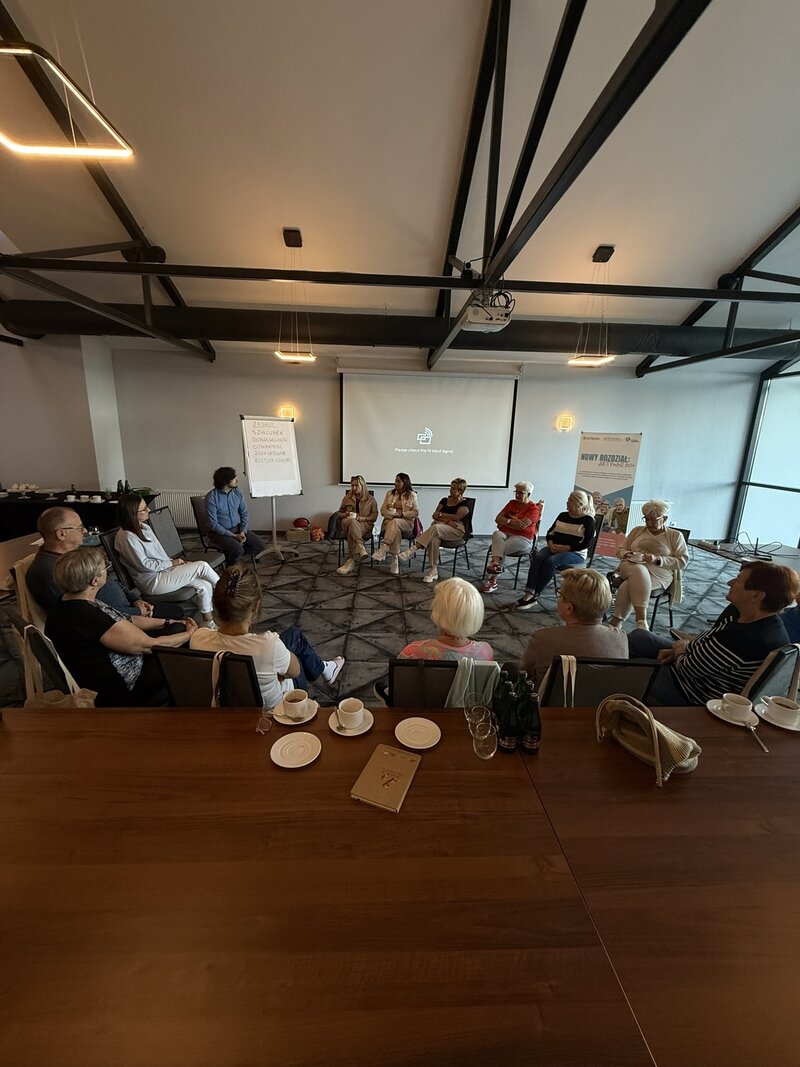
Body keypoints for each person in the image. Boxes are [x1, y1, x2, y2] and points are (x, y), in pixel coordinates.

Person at [628, 561, 799, 706]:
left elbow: (688, 669)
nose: (730, 582)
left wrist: (679, 649)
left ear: (756, 596)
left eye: (738, 579)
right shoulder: (761, 620)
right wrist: (681, 650)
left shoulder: (746, 638)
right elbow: (708, 651)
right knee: (640, 637)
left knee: (629, 669)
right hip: (693, 663)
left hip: (690, 692)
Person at [45, 547, 196, 707]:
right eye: (105, 567)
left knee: (176, 628)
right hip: (123, 687)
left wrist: (168, 622)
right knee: (185, 650)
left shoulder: (67, 601)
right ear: (94, 581)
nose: (107, 570)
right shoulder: (88, 616)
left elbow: (128, 619)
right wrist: (190, 633)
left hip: (112, 667)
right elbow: (149, 646)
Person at [190, 565, 345, 706]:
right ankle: (323, 670)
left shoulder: (197, 639)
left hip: (227, 705)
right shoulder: (268, 645)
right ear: (255, 607)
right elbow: (295, 672)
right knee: (295, 644)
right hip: (274, 712)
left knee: (291, 639)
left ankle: (324, 668)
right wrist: (276, 671)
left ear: (215, 604)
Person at [25, 506, 176, 619]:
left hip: (128, 609)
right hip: (117, 622)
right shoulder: (49, 571)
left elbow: (112, 582)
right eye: (79, 527)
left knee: (175, 613)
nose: (85, 531)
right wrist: (136, 612)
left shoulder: (76, 556)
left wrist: (136, 600)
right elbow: (85, 612)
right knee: (176, 619)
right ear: (61, 534)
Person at [373, 577, 492, 702]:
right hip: (466, 708)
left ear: (438, 612)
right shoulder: (486, 651)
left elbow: (398, 685)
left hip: (421, 708)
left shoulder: (414, 651)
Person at [114, 495, 219, 624]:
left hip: (163, 573)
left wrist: (177, 564)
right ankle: (230, 595)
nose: (148, 510)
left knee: (204, 585)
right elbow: (144, 565)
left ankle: (209, 623)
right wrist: (172, 563)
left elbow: (160, 556)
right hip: (152, 581)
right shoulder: (126, 537)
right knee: (202, 566)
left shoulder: (144, 527)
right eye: (144, 509)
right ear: (131, 514)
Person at [519, 567, 628, 686]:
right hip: (601, 697)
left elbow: (523, 672)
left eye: (560, 594)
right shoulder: (620, 637)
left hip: (550, 697)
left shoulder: (544, 638)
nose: (558, 598)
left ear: (569, 608)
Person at [608, 500, 688, 631]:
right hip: (630, 566)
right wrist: (627, 554)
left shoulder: (675, 536)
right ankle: (641, 620)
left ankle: (616, 622)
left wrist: (657, 559)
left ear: (664, 518)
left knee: (628, 585)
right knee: (638, 569)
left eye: (654, 520)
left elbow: (682, 561)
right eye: (646, 519)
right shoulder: (637, 531)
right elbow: (620, 550)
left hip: (659, 574)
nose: (649, 523)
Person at [516, 490, 596, 610]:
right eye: (568, 500)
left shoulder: (588, 520)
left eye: (571, 501)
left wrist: (566, 548)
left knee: (551, 562)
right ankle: (529, 591)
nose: (567, 503)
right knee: (538, 557)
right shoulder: (562, 515)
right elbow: (550, 532)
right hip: (555, 547)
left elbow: (586, 543)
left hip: (575, 553)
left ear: (580, 504)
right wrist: (551, 543)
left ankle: (535, 594)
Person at [399, 478, 470, 584]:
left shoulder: (465, 504)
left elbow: (457, 517)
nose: (450, 490)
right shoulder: (444, 500)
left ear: (460, 491)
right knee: (433, 539)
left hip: (456, 531)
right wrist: (448, 520)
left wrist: (441, 516)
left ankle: (413, 548)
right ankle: (433, 569)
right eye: (450, 487)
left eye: (454, 488)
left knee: (436, 528)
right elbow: (434, 515)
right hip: (442, 527)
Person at [482, 481, 543, 593]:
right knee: (497, 534)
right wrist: (511, 521)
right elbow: (497, 519)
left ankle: (493, 578)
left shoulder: (533, 509)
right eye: (516, 492)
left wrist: (505, 522)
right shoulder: (512, 503)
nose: (517, 495)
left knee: (500, 548)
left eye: (521, 493)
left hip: (523, 539)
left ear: (528, 494)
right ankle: (496, 565)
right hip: (506, 534)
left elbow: (522, 526)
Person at [205, 467, 265, 566]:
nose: (237, 480)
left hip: (237, 528)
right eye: (234, 478)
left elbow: (244, 513)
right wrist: (233, 536)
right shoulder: (211, 497)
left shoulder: (237, 492)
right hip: (218, 533)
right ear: (225, 482)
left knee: (260, 545)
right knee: (238, 549)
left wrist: (243, 531)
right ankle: (230, 567)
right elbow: (214, 524)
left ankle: (230, 557)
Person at [371, 473, 419, 575]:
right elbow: (383, 510)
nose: (396, 483)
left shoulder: (412, 495)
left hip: (406, 523)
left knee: (395, 523)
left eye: (398, 481)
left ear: (405, 482)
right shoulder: (389, 494)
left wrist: (402, 514)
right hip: (389, 522)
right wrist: (390, 515)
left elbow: (415, 513)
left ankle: (385, 547)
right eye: (395, 481)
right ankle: (394, 559)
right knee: (396, 528)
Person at [336, 475, 378, 575]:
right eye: (352, 485)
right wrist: (346, 514)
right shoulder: (347, 498)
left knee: (353, 529)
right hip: (347, 523)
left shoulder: (371, 499)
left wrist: (362, 518)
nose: (354, 488)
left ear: (362, 485)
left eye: (356, 485)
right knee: (352, 522)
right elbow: (339, 513)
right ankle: (360, 546)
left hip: (364, 525)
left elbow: (374, 516)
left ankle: (350, 560)